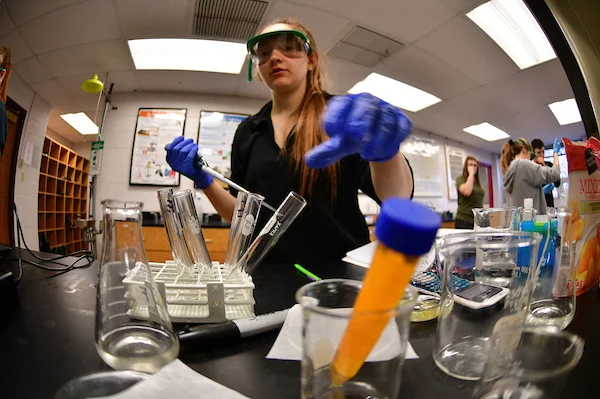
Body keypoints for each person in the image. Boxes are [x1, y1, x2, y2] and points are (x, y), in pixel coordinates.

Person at [165, 19, 414, 266]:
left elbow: (397, 198)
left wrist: (386, 153)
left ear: (311, 60)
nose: (274, 56)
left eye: (289, 47)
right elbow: (240, 216)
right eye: (263, 52)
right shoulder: (247, 131)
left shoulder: (344, 117)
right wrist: (204, 179)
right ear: (258, 68)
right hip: (265, 277)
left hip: (339, 281)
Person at [501, 138, 561, 215]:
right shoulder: (524, 164)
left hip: (519, 222)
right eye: (530, 154)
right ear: (524, 150)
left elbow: (524, 193)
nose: (530, 158)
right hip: (533, 223)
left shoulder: (509, 169)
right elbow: (555, 174)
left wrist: (540, 192)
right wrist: (555, 152)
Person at [455, 156, 484, 229]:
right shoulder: (461, 179)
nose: (473, 167)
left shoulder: (477, 183)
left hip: (477, 221)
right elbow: (466, 192)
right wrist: (471, 174)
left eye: (475, 165)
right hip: (464, 220)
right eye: (470, 165)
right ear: (466, 167)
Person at [531, 138, 561, 208]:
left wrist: (544, 165)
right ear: (533, 153)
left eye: (543, 152)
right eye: (538, 152)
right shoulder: (530, 168)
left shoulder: (549, 164)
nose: (542, 155)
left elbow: (557, 183)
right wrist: (542, 191)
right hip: (536, 206)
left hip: (549, 205)